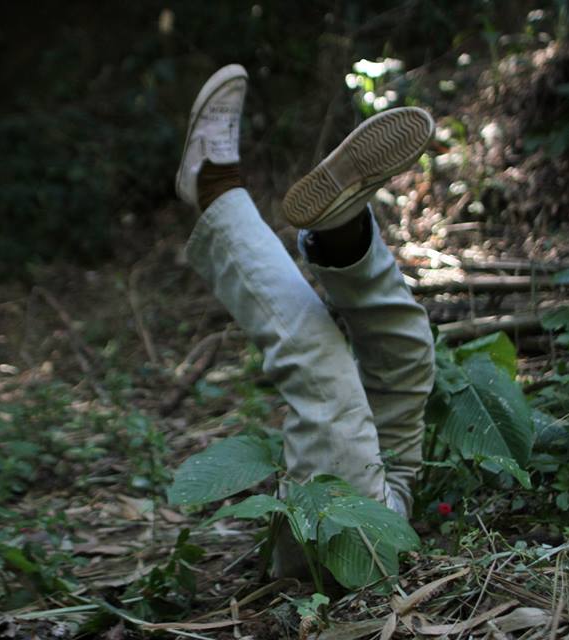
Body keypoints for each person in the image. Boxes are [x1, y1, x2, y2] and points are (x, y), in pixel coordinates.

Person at [175, 63, 435, 548]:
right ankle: (341, 234)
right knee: (409, 357)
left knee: (321, 369)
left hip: (359, 536)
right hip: (396, 487)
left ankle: (213, 189)